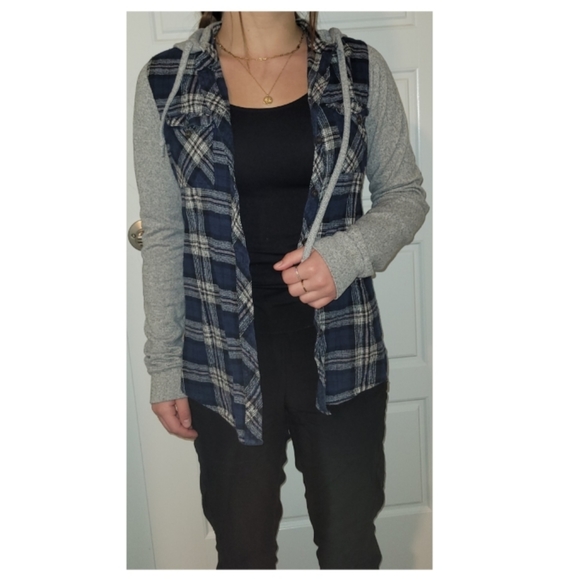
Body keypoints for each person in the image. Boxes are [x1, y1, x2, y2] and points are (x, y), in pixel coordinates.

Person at [133, 11, 429, 570]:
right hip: (220, 360)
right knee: (242, 552)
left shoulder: (357, 69)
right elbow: (166, 233)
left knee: (350, 548)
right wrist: (164, 365)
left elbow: (405, 194)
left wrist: (346, 256)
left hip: (343, 351)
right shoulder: (166, 82)